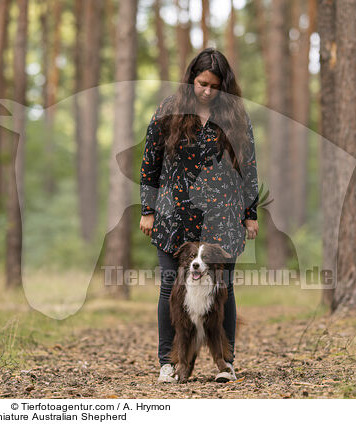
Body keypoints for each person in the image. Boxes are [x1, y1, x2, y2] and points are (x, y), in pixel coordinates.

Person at [139, 48, 259, 383]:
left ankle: (226, 362)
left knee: (225, 289)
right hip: (173, 216)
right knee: (169, 287)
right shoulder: (170, 109)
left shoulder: (236, 116)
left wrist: (251, 213)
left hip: (224, 217)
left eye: (214, 86)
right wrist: (147, 209)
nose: (207, 91)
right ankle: (169, 362)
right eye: (202, 83)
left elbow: (248, 167)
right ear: (192, 78)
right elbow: (150, 161)